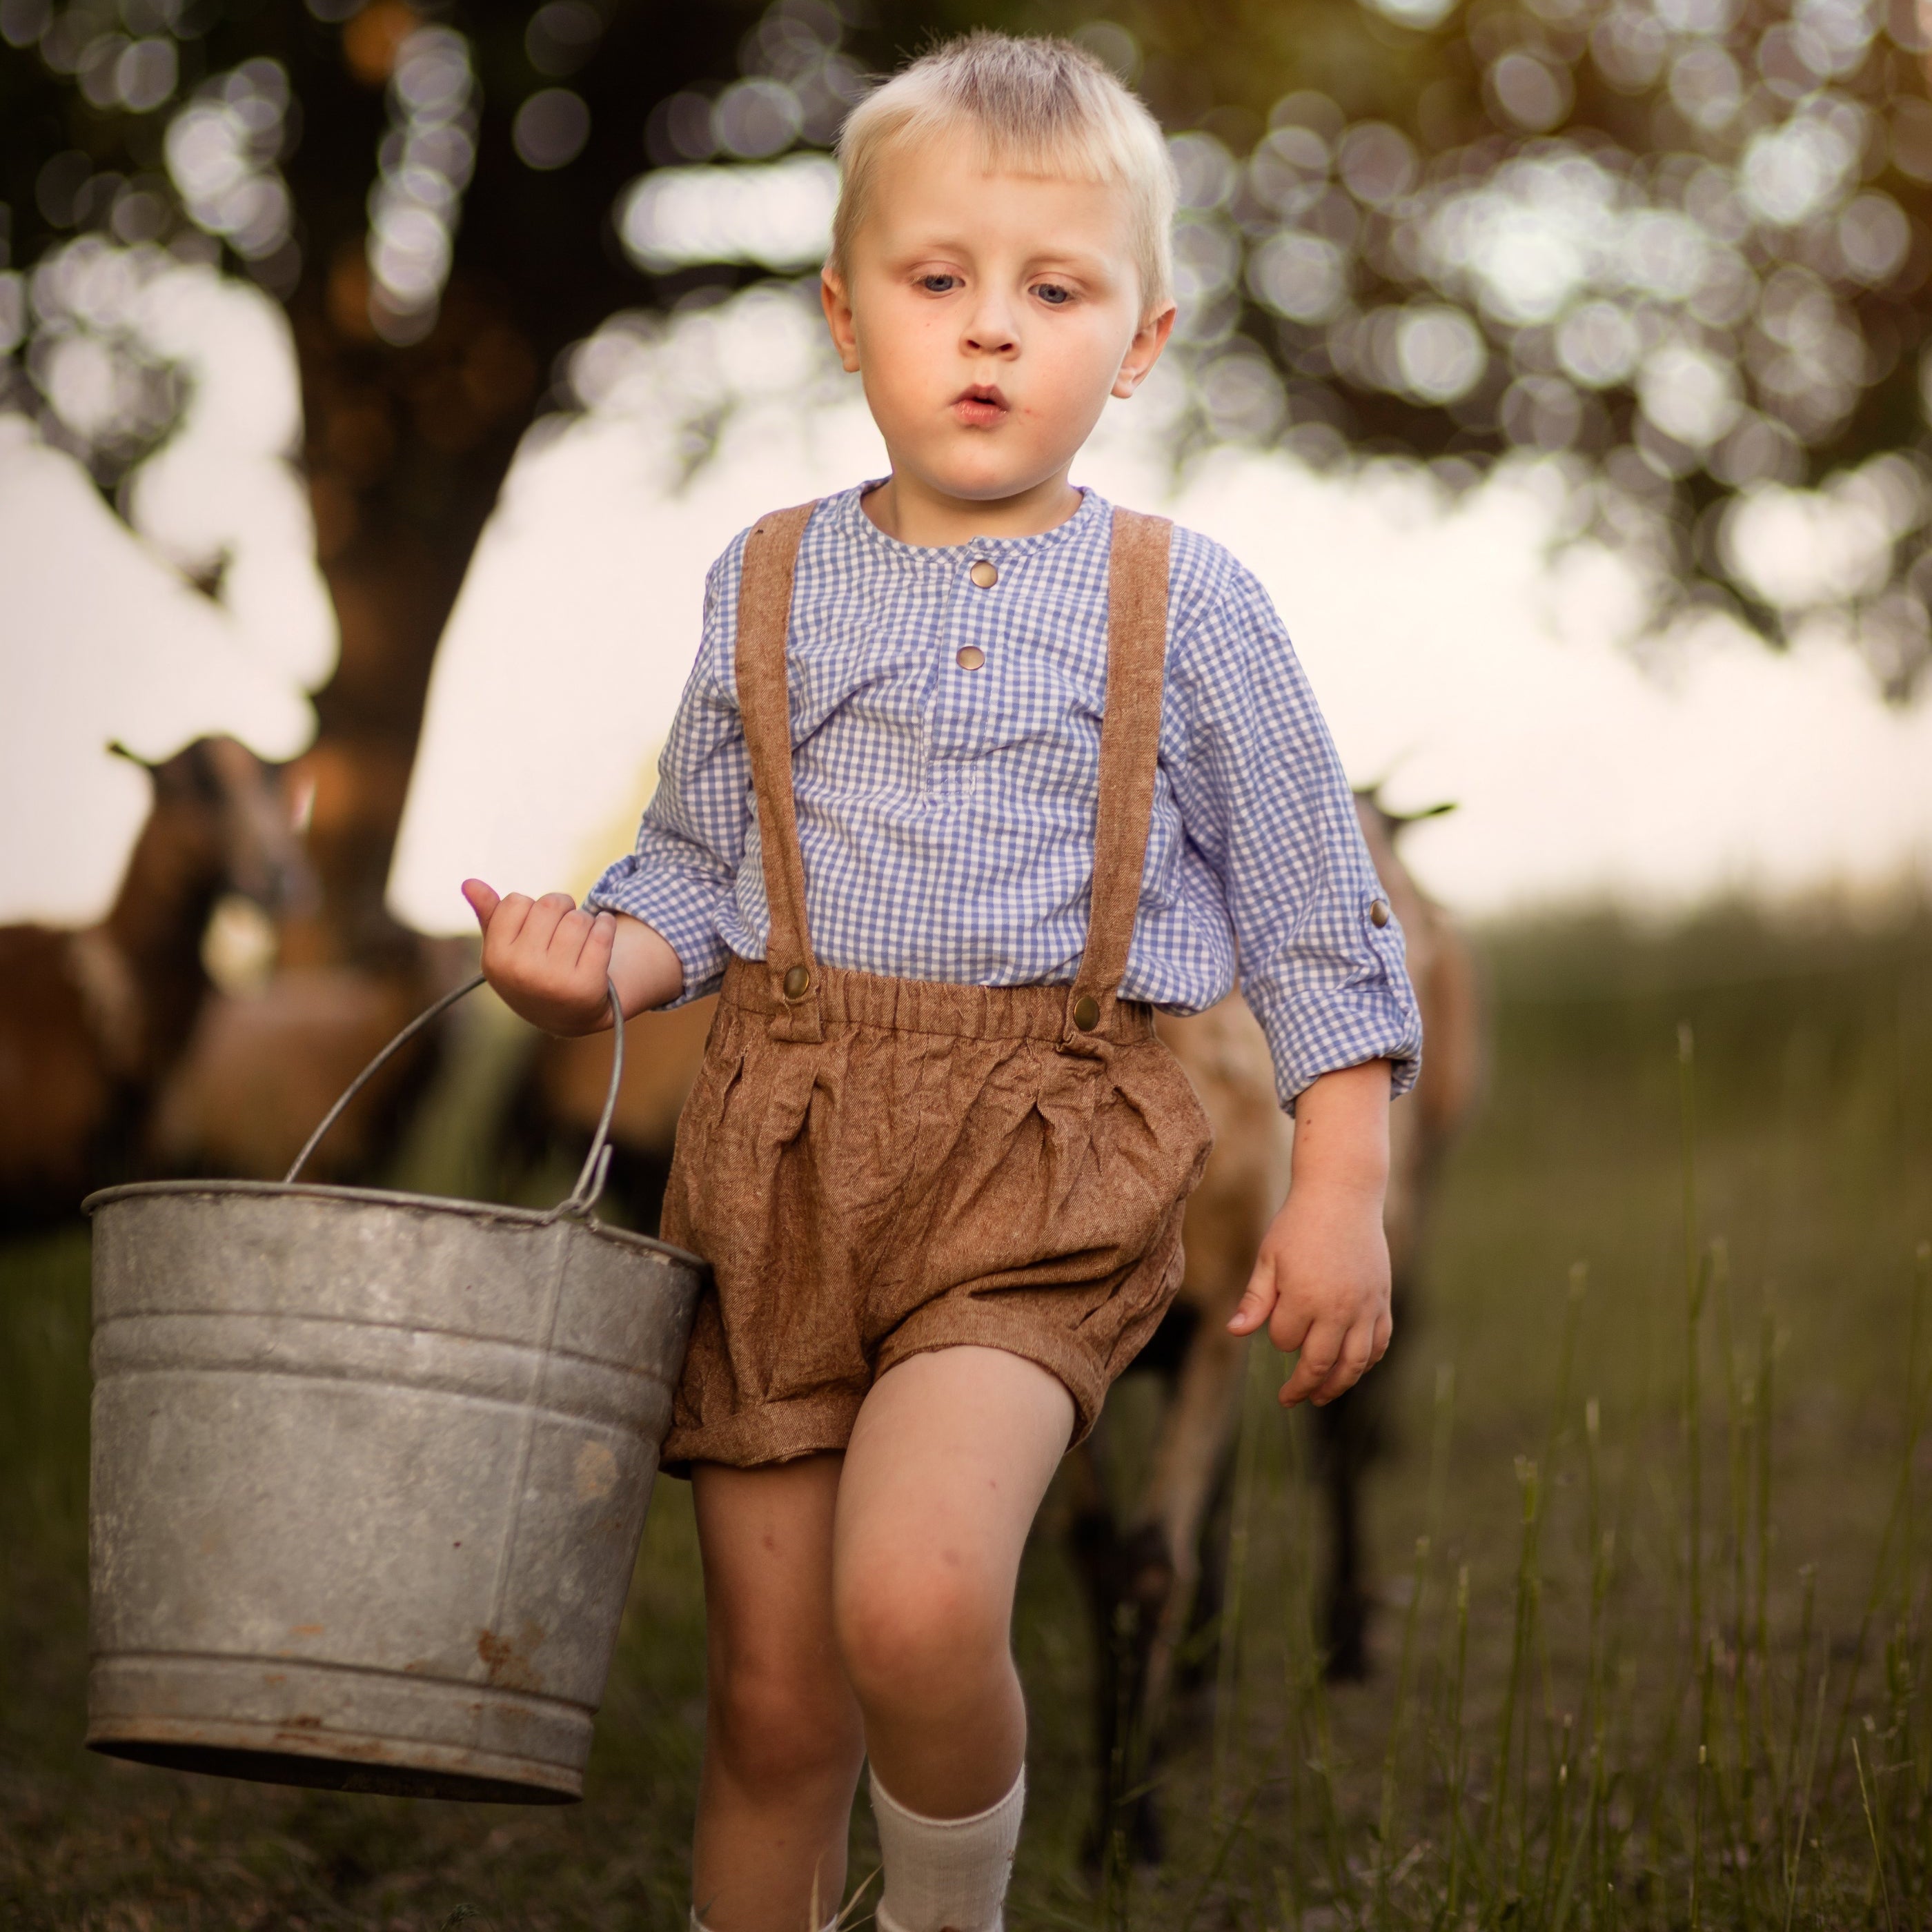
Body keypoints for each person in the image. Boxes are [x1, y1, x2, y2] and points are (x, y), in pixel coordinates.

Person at [461, 30, 1421, 1932]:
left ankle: (947, 1914)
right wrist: (593, 972)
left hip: (1040, 1172)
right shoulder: (766, 580)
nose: (991, 334)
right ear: (845, 314)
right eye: (937, 282)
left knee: (911, 1602)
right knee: (771, 1702)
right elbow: (699, 879)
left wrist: (1338, 1188)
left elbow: (1323, 917)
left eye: (1054, 292)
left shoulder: (1188, 600)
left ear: (1139, 341)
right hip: (782, 1164)